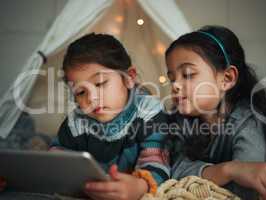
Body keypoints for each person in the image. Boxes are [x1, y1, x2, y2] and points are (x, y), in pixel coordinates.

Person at [0, 33, 170, 200]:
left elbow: (156, 162)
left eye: (101, 83)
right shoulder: (77, 121)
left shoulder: (149, 112)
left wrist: (139, 186)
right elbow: (57, 159)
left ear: (129, 78)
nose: (91, 98)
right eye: (81, 92)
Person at [165, 25, 266, 200]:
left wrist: (210, 173)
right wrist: (229, 170)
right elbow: (173, 168)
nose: (175, 85)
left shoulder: (247, 122)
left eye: (188, 74)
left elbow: (244, 190)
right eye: (172, 78)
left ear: (227, 79)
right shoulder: (179, 122)